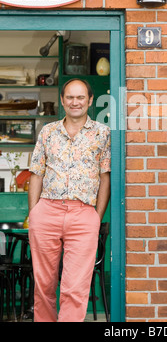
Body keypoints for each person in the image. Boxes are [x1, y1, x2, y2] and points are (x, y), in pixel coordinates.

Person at [28, 78, 111, 322]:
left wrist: (96, 217)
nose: (75, 102)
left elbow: (105, 178)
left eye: (81, 97)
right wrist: (34, 213)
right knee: (43, 286)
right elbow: (36, 173)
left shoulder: (102, 134)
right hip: (47, 212)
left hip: (83, 214)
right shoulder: (48, 132)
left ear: (90, 101)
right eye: (70, 97)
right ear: (63, 101)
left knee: (75, 288)